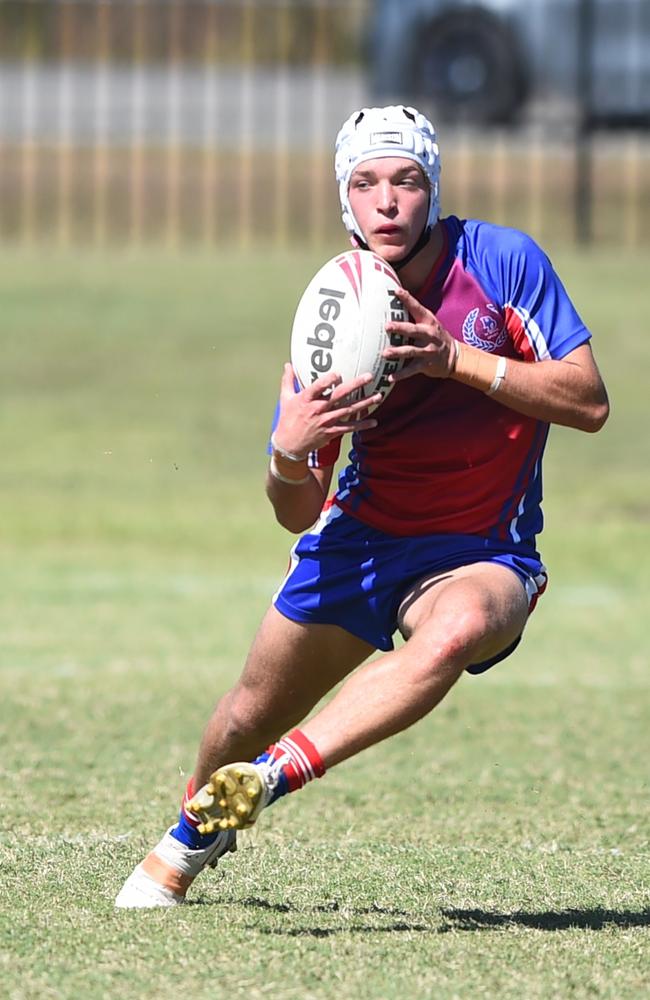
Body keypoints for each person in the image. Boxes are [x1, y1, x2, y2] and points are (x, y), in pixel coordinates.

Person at [115, 105, 609, 907]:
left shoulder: (501, 263)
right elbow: (296, 505)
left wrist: (458, 361)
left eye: (407, 181)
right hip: (361, 542)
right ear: (344, 200)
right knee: (243, 717)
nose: (388, 201)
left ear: (432, 191)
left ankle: (274, 776)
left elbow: (588, 401)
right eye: (367, 183)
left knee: (459, 629)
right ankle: (188, 837)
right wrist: (286, 451)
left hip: (481, 551)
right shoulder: (336, 307)